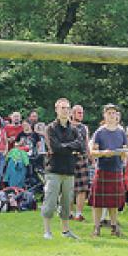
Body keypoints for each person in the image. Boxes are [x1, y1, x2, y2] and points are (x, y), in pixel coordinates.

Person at [43, 98, 83, 240]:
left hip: (69, 170)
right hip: (54, 170)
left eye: (67, 108)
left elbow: (80, 145)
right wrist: (71, 147)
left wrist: (64, 146)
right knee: (50, 201)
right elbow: (55, 148)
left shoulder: (74, 129)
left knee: (66, 202)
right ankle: (47, 231)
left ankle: (65, 231)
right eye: (62, 108)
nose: (65, 111)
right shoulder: (50, 128)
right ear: (57, 110)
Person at [89, 104, 128, 237]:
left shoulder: (121, 132)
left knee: (114, 202)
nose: (112, 115)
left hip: (116, 169)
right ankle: (96, 228)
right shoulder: (100, 132)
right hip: (102, 169)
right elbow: (93, 152)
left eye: (114, 113)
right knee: (98, 203)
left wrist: (124, 153)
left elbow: (125, 150)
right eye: (109, 113)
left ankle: (114, 227)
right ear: (104, 115)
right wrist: (104, 153)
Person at [70, 104, 91, 222]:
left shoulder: (84, 128)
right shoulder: (67, 126)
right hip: (69, 158)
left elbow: (87, 144)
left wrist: (91, 158)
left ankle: (79, 214)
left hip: (82, 158)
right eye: (79, 113)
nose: (81, 115)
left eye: (82, 112)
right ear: (72, 114)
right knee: (68, 187)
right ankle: (69, 212)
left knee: (82, 188)